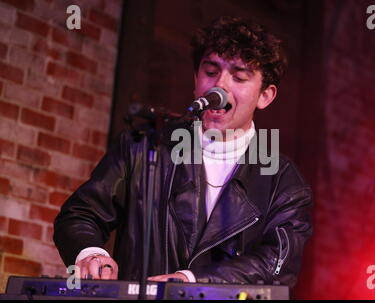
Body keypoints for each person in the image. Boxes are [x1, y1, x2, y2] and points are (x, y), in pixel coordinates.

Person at [53, 16, 313, 287]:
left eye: (238, 77)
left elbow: (278, 261)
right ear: (196, 79)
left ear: (265, 96)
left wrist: (191, 281)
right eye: (211, 72)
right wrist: (91, 253)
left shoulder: (284, 182)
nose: (220, 86)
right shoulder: (145, 145)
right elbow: (81, 213)